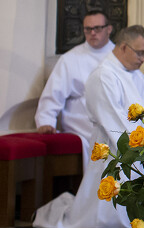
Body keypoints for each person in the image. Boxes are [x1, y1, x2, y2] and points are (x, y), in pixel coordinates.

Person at [34, 26, 144, 228]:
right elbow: (113, 120)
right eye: (140, 52)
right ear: (124, 47)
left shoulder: (137, 76)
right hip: (115, 147)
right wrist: (142, 144)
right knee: (106, 216)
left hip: (139, 144)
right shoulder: (103, 76)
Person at [35, 10, 114, 150]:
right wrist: (46, 121)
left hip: (114, 121)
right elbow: (54, 93)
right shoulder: (70, 59)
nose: (93, 33)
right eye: (88, 29)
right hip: (82, 125)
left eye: (97, 28)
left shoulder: (120, 57)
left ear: (109, 29)